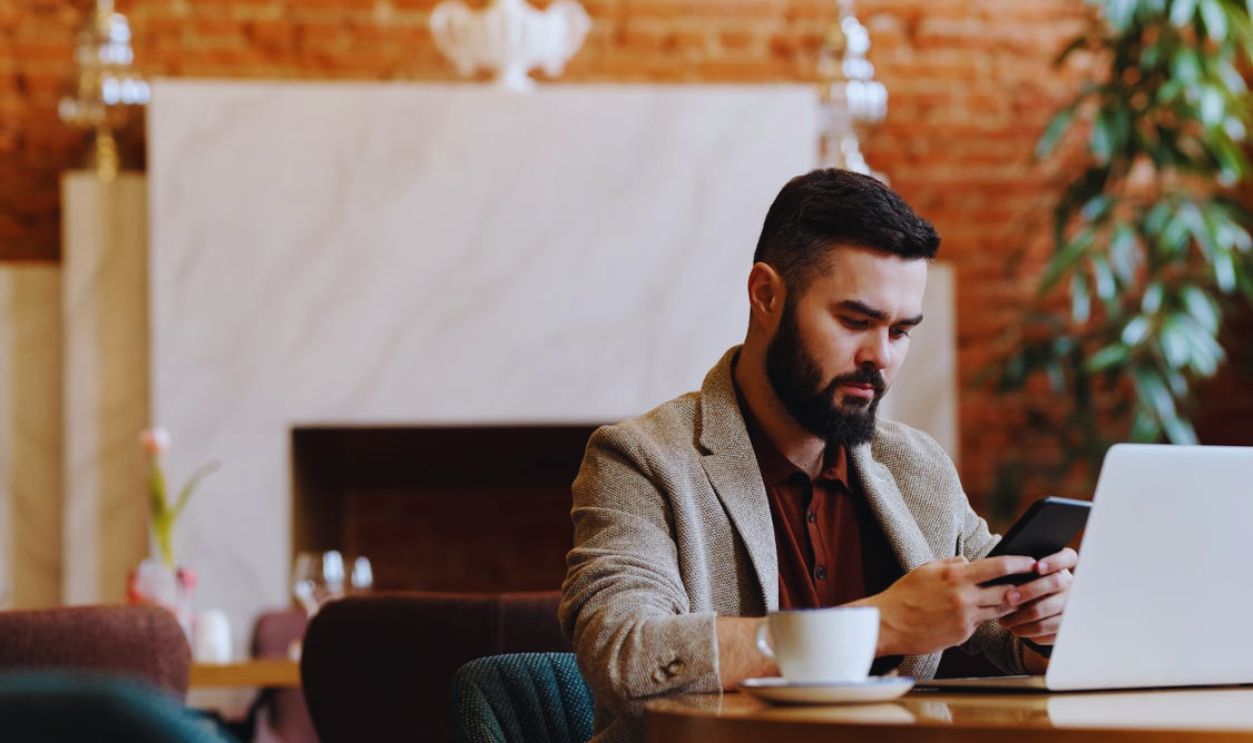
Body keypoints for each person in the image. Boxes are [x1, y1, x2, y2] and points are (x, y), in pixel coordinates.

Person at [558, 168, 1077, 742]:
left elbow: (1002, 630)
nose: (879, 357)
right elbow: (623, 654)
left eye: (901, 331)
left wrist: (1044, 621)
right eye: (855, 321)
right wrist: (881, 625)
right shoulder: (639, 459)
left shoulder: (917, 465)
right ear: (766, 296)